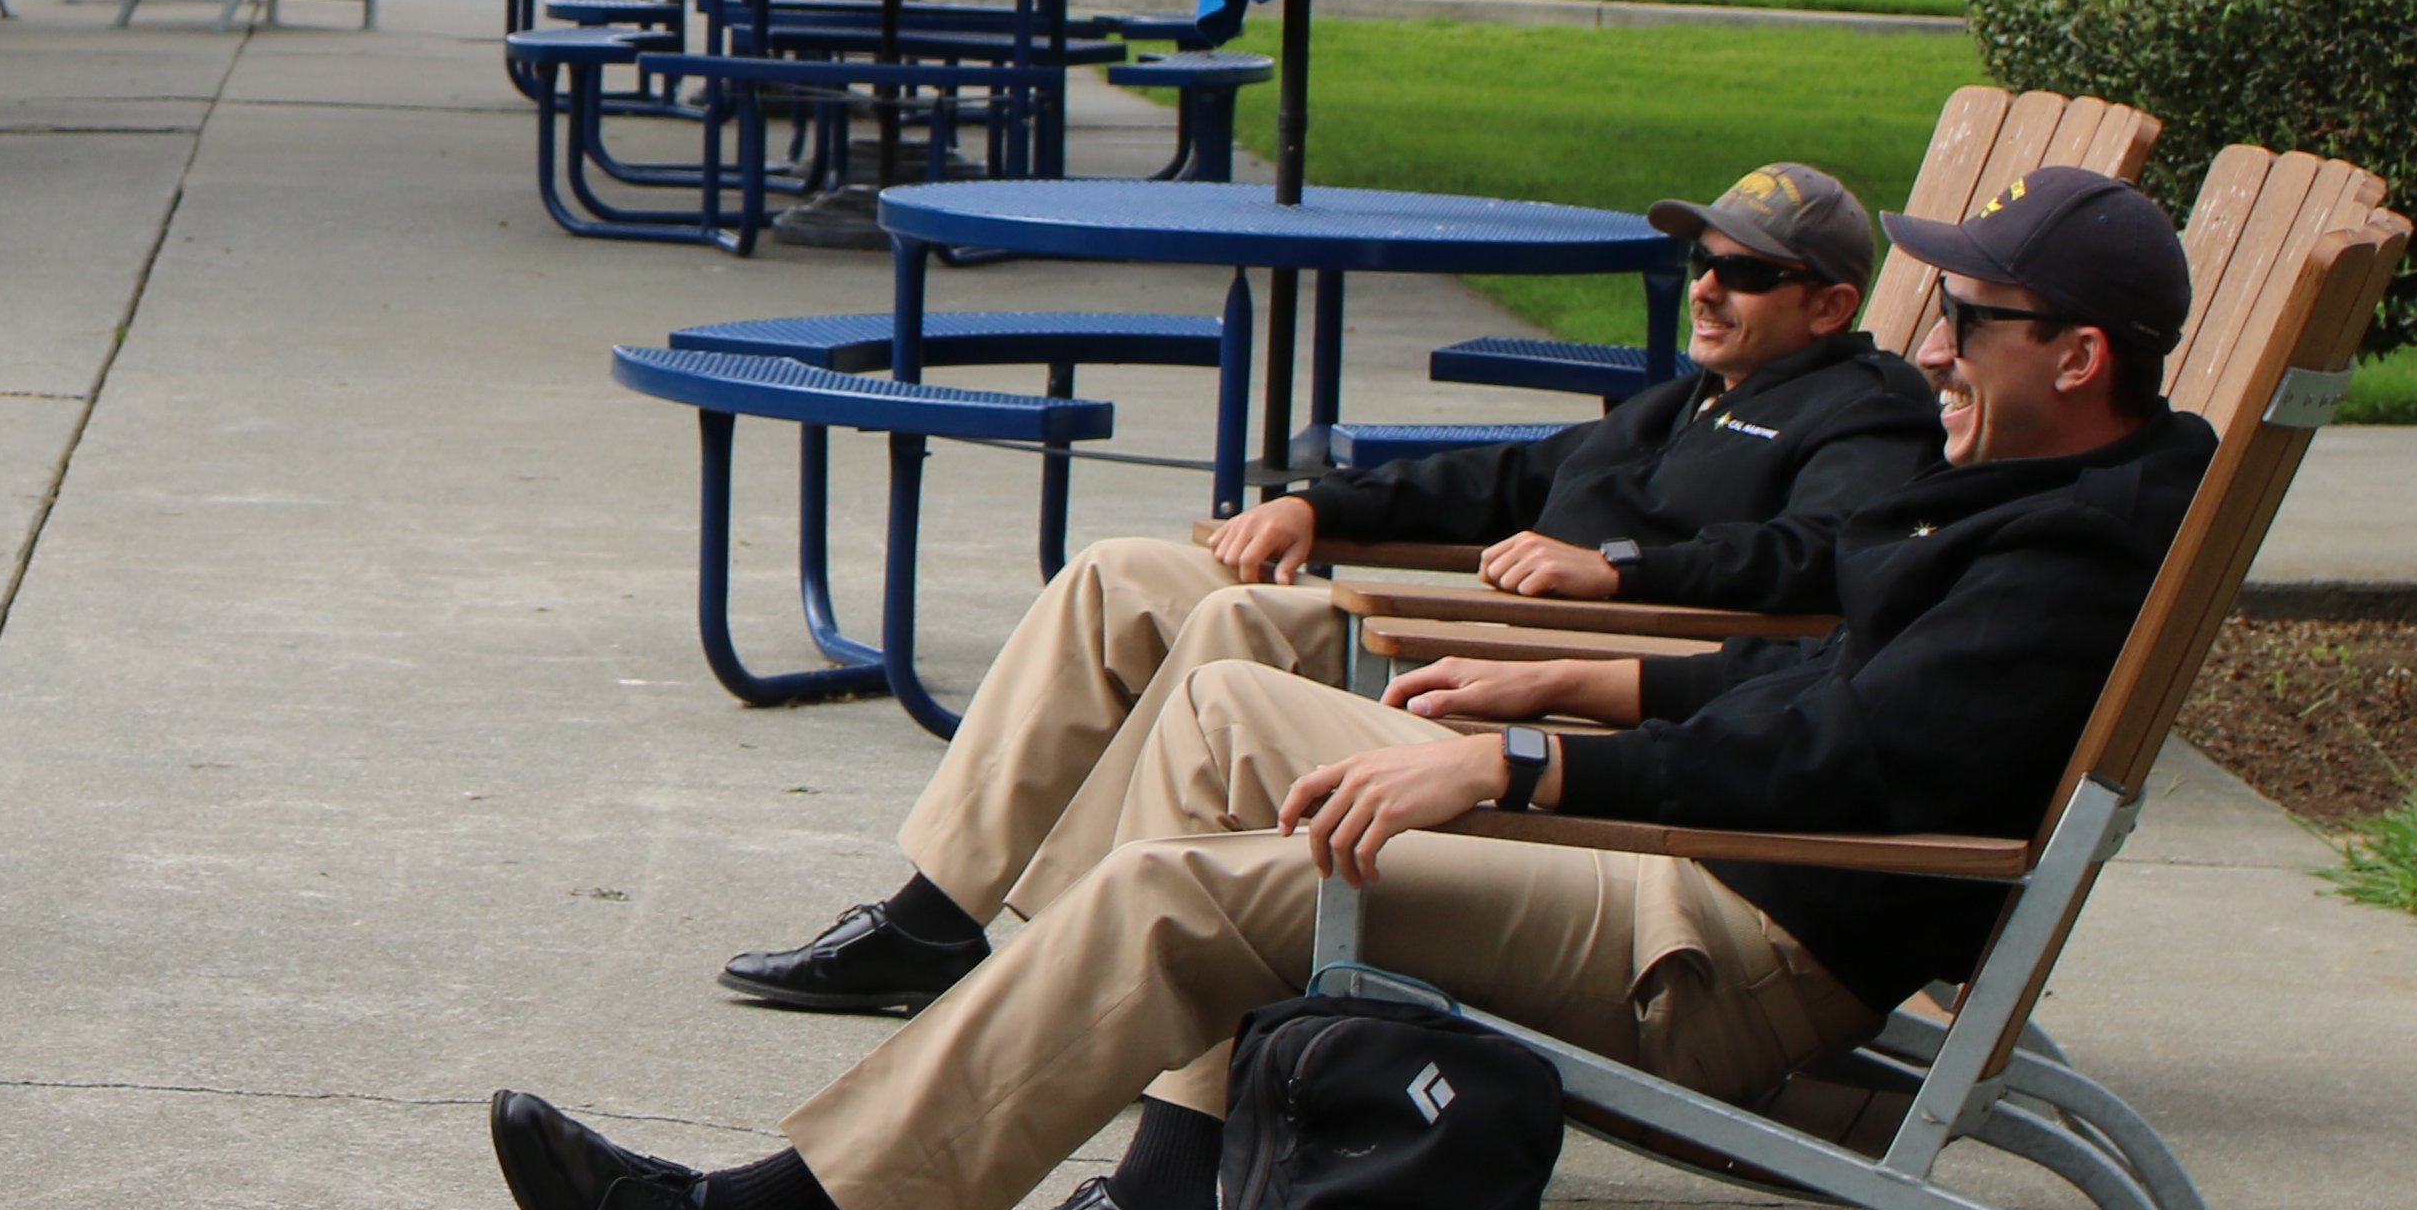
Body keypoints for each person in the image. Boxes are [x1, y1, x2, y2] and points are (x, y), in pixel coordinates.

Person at [490, 166, 2216, 1210]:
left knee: (1182, 900)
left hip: (1719, 944)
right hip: (1684, 862)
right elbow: (1841, 697)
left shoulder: (2051, 550)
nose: (1932, 354)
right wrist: (1597, 697)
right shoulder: (2026, 495)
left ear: (2073, 356)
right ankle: (1153, 1162)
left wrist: (1526, 767)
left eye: (1965, 322)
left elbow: (1845, 761)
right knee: (1232, 719)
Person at [715, 159, 1947, 1022]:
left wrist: (1619, 567)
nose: (1709, 286)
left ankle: (1080, 954)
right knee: (1122, 577)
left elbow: (1818, 557)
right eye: (1701, 260)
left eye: (1746, 272)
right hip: (1494, 610)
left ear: (1832, 305)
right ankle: (934, 912)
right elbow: (1510, 474)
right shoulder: (1696, 394)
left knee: (1237, 620)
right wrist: (1322, 507)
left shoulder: (1866, 410)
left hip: (1553, 652)